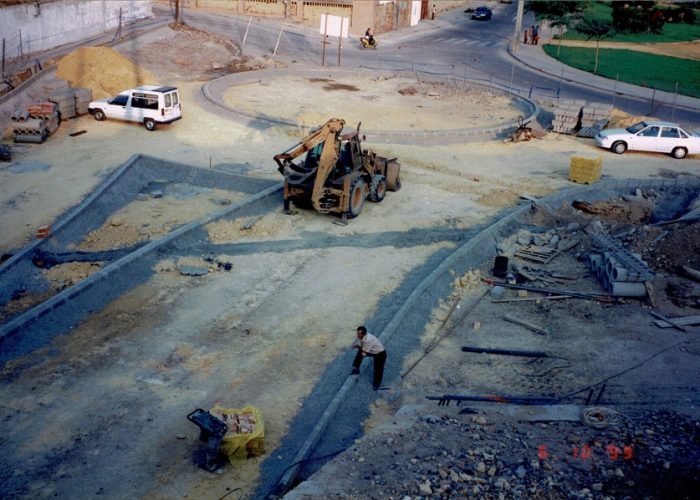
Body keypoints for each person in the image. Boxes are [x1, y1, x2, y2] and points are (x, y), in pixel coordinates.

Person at [351, 325, 387, 391]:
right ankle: (356, 369)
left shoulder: (368, 340)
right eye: (357, 333)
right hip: (372, 351)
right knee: (360, 353)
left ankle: (376, 384)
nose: (357, 335)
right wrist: (357, 346)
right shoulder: (362, 337)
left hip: (380, 354)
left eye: (358, 334)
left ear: (363, 334)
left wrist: (360, 350)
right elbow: (362, 347)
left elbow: (364, 352)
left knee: (378, 369)